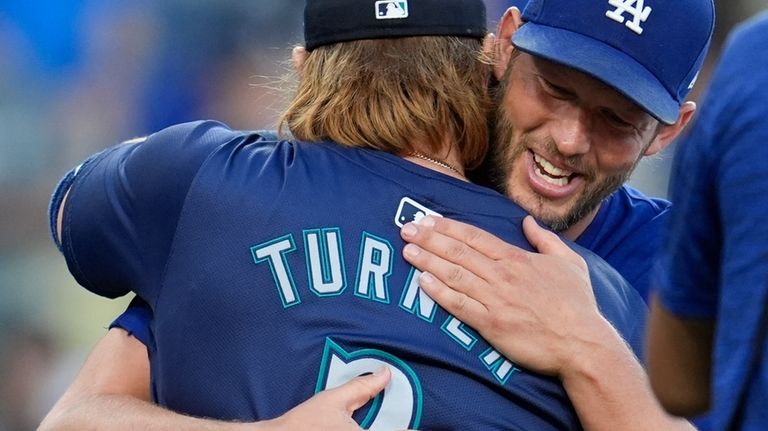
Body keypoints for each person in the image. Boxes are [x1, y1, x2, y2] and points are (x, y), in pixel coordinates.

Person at [41, 1, 648, 430]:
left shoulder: (195, 183)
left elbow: (67, 210)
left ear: (305, 68)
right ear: (488, 66)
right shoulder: (593, 294)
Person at [645, 10, 768, 430]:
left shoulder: (755, 58)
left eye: (617, 117)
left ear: (671, 128)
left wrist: (587, 345)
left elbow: (678, 384)